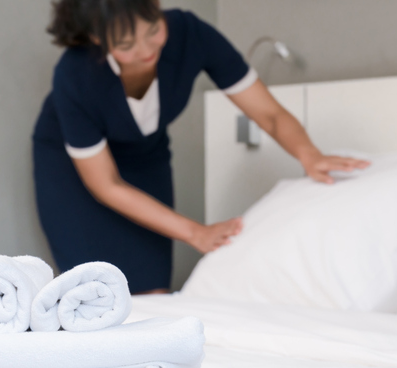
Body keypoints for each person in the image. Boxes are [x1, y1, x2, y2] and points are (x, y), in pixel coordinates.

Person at [32, 0, 369, 295]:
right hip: (75, 172)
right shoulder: (76, 74)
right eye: (126, 43)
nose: (147, 49)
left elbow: (268, 112)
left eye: (153, 30)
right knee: (94, 291)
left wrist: (308, 154)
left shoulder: (191, 34)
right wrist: (195, 232)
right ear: (97, 38)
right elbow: (105, 184)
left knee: (152, 287)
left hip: (145, 156)